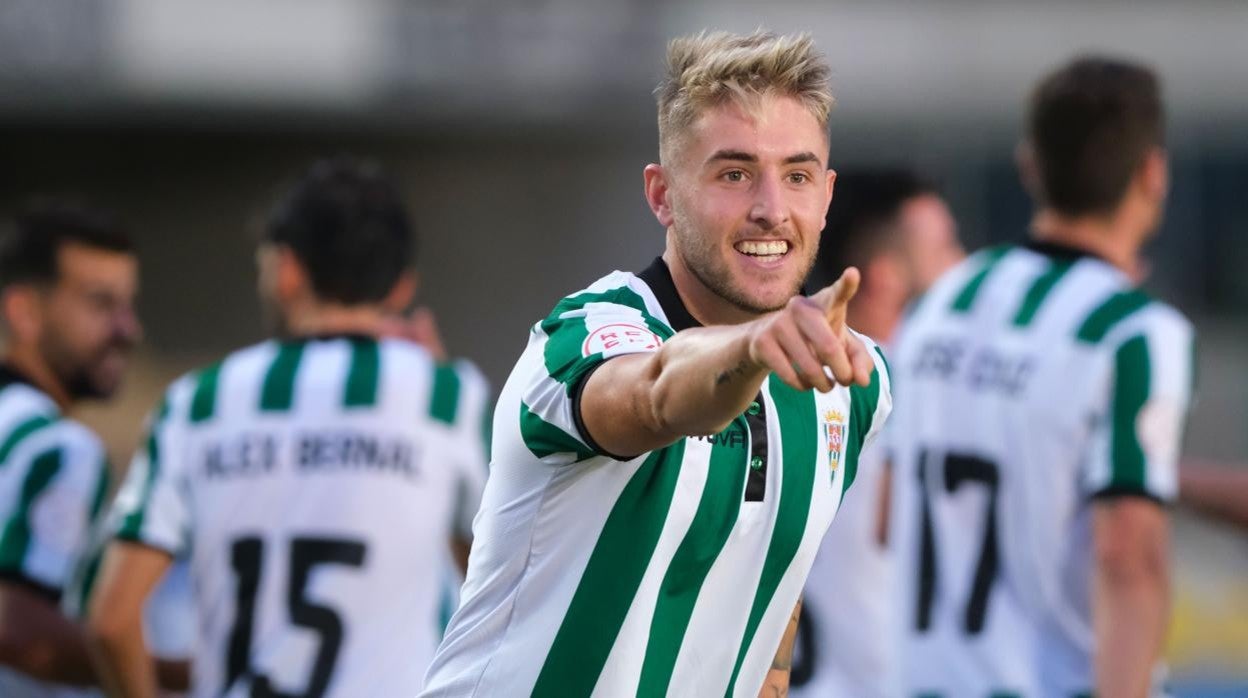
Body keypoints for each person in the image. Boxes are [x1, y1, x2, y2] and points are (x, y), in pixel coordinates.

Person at [421, 30, 892, 698]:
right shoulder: (585, 333)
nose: (770, 209)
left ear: (826, 193)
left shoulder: (851, 380)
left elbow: (770, 598)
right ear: (662, 193)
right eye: (734, 173)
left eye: (797, 175)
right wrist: (751, 346)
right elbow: (654, 394)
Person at [85, 159, 491, 697]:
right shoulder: (448, 397)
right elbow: (496, 587)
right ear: (401, 288)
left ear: (286, 271)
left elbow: (111, 620)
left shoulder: (195, 403)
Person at [889, 57, 1191, 697]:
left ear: (1030, 166)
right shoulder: (1134, 332)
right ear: (1152, 175)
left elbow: (887, 517)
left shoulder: (940, 303)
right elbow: (1128, 557)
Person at [790, 169, 963, 697]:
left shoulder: (781, 390)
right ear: (885, 276)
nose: (964, 265)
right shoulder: (912, 395)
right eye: (946, 248)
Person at [0, 202, 139, 696]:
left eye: (129, 306)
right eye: (102, 305)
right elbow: (22, 636)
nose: (128, 330)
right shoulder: (59, 448)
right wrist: (181, 672)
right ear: (24, 312)